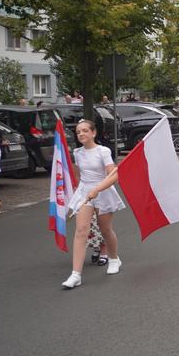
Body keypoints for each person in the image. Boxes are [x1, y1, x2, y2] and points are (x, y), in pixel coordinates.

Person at [61, 120, 125, 288]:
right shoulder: (77, 152)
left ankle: (114, 259)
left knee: (105, 230)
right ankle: (76, 275)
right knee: (81, 231)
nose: (81, 134)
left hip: (103, 192)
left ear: (93, 133)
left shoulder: (103, 151)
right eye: (78, 132)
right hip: (84, 193)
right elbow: (80, 176)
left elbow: (114, 176)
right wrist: (79, 192)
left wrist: (97, 189)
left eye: (84, 131)